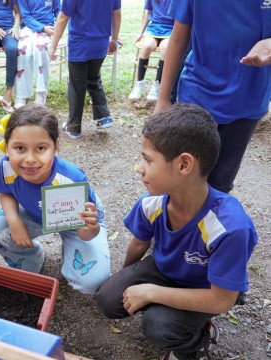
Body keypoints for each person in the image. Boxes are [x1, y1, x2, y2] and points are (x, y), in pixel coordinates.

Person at [95, 104, 258, 360]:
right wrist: (125, 277)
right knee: (108, 298)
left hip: (206, 288)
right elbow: (139, 244)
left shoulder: (228, 227)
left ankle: (198, 342)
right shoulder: (152, 204)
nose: (139, 167)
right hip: (164, 269)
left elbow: (223, 299)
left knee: (158, 326)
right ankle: (170, 309)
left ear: (184, 165)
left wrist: (151, 292)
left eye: (147, 160)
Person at [0, 104, 110, 295]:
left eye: (41, 148)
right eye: (19, 148)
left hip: (76, 222)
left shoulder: (71, 179)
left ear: (56, 147)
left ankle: (71, 255)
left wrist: (90, 230)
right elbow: (6, 192)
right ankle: (30, 258)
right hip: (35, 213)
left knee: (92, 283)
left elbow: (84, 229)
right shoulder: (7, 166)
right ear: (7, 146)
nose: (29, 159)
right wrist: (14, 220)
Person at [155, 0, 271, 194]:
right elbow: (177, 39)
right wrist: (163, 99)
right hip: (197, 93)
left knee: (219, 183)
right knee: (181, 178)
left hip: (247, 98)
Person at [49, 0, 121, 139]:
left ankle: (73, 127)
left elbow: (63, 17)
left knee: (77, 85)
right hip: (101, 43)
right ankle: (104, 117)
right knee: (93, 78)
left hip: (80, 44)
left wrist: (53, 46)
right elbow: (117, 12)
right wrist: (114, 39)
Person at [13, 0, 60, 109]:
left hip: (48, 28)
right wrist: (41, 27)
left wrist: (57, 28)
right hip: (28, 27)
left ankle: (41, 92)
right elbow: (25, 16)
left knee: (41, 49)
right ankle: (21, 94)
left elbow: (58, 11)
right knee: (22, 51)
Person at [128, 0, 174, 102]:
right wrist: (141, 33)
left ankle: (157, 85)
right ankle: (139, 83)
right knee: (147, 46)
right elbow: (148, 13)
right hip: (154, 28)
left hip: (170, 29)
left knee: (165, 48)